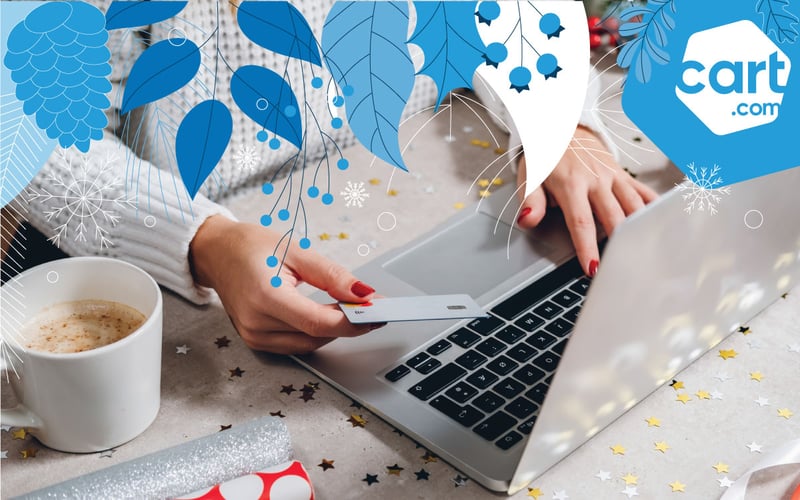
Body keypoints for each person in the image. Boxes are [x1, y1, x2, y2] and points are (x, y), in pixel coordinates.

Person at [23, 1, 656, 354]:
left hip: (429, 193)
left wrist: (558, 123)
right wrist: (203, 241)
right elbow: (35, 139)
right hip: (213, 267)